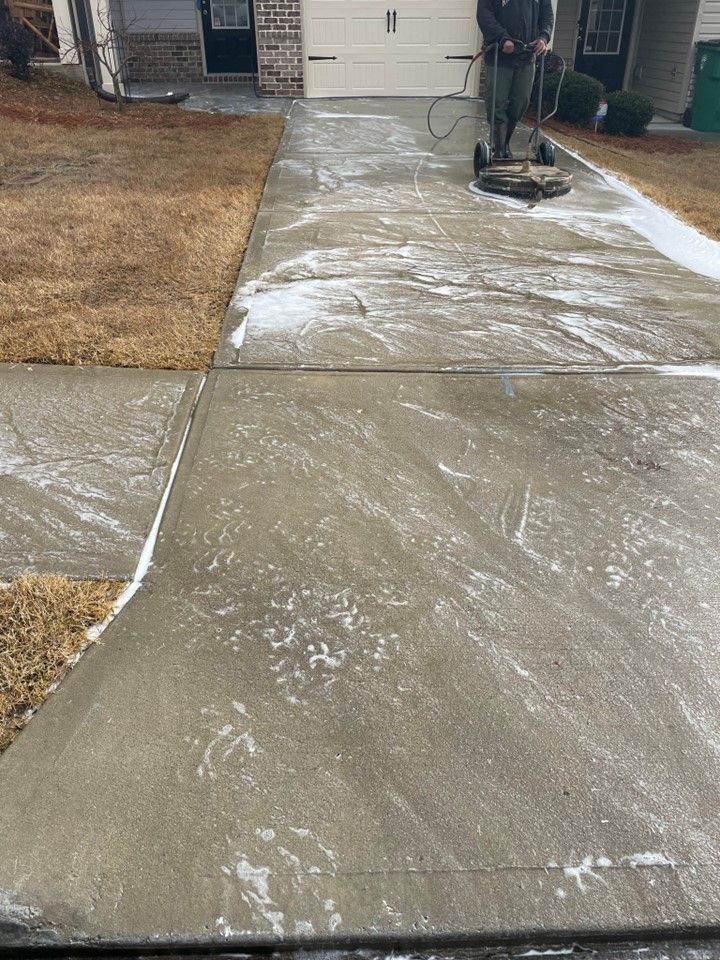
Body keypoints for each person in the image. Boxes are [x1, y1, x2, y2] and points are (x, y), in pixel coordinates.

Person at [476, 0, 554, 159]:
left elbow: (547, 17)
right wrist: (502, 37)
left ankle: (505, 144)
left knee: (521, 101)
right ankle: (499, 147)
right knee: (497, 101)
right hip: (500, 55)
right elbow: (484, 15)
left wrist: (543, 37)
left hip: (527, 56)